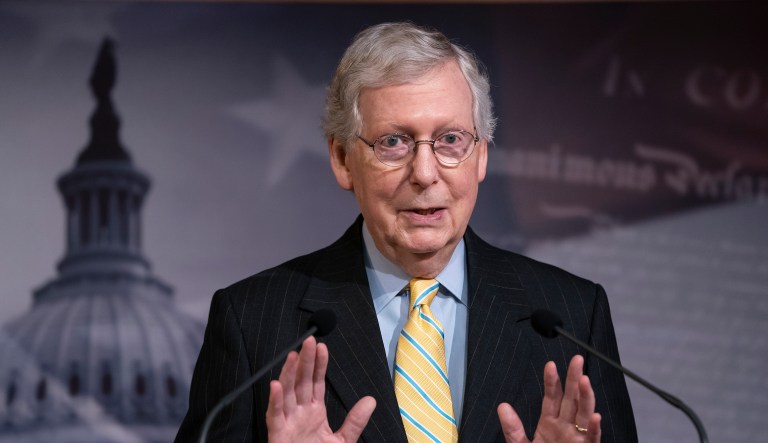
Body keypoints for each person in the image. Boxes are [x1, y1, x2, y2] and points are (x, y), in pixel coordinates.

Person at [175, 22, 637, 443]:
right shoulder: (253, 322)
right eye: (393, 142)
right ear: (341, 159)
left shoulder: (571, 316)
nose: (424, 173)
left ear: (482, 156)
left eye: (451, 140)